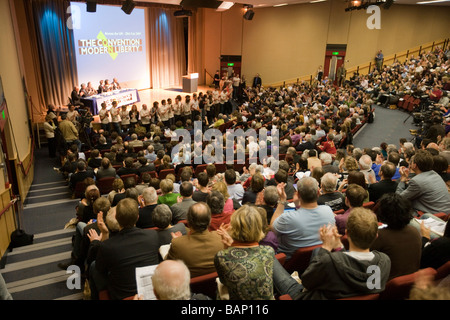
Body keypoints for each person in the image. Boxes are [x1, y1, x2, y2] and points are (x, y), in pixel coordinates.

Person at [272, 207, 391, 300]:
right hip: (348, 292)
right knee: (317, 251)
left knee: (269, 256)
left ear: (347, 233)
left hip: (307, 296)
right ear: (376, 235)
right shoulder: (384, 261)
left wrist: (326, 247)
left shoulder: (329, 261)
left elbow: (307, 283)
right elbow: (352, 267)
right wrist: (339, 247)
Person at [88, 198, 160, 300]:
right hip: (151, 293)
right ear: (137, 217)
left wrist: (99, 240)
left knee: (93, 266)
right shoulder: (153, 235)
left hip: (121, 296)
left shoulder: (107, 245)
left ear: (117, 218)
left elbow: (100, 269)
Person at [214, 205, 275, 300]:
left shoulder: (221, 256)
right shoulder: (268, 251)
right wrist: (231, 245)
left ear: (234, 227)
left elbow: (225, 282)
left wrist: (227, 247)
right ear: (258, 227)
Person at [270, 177, 335, 260]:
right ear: (318, 193)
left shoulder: (288, 218)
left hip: (291, 262)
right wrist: (298, 205)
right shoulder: (328, 210)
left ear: (298, 195)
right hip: (319, 260)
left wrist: (282, 200)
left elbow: (272, 226)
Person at [371, 193, 422, 280]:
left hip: (385, 285)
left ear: (382, 213)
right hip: (412, 283)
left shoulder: (379, 236)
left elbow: (369, 266)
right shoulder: (415, 231)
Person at [167, 202, 224, 278]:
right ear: (210, 220)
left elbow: (167, 264)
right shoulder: (222, 238)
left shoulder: (177, 244)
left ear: (188, 221)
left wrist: (176, 243)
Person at [396, 150, 450, 214]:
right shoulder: (435, 174)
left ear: (414, 165)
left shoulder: (417, 181)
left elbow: (398, 199)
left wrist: (402, 180)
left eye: (411, 162)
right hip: (445, 212)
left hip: (433, 216)